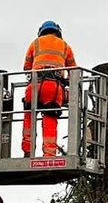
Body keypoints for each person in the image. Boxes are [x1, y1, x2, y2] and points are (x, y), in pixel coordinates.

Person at [22, 20, 76, 156]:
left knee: (29, 116)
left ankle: (27, 151)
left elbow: (26, 67)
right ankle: (49, 154)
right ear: (58, 32)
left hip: (34, 84)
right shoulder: (65, 46)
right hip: (53, 86)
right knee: (50, 118)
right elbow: (74, 71)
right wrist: (68, 83)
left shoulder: (35, 43)